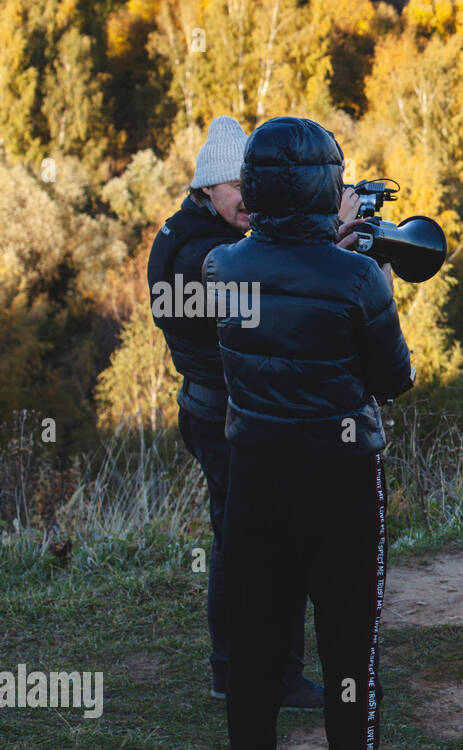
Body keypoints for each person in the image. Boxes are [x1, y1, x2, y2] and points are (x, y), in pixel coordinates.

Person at [205, 116, 418, 750]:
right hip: (340, 478)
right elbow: (394, 380)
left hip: (254, 475)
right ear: (328, 186)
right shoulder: (357, 275)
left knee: (257, 643)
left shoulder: (221, 267)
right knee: (349, 649)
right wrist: (371, 271)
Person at [147, 116, 325, 709]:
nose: (249, 199)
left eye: (252, 184)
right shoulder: (201, 252)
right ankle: (261, 676)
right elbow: (261, 298)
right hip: (228, 417)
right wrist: (326, 249)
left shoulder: (187, 231)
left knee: (240, 541)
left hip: (216, 411)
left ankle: (240, 671)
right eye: (235, 188)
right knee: (252, 544)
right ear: (207, 188)